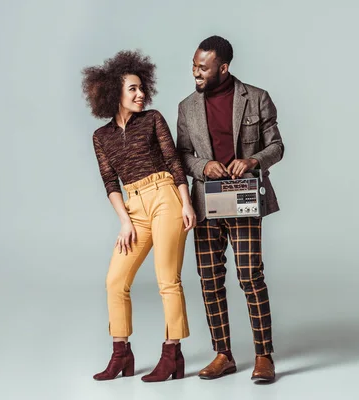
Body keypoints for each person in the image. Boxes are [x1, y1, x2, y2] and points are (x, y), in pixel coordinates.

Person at [81, 50, 196, 382]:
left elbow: (174, 162)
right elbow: (109, 182)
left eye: (142, 87)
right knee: (115, 281)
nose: (140, 93)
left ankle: (172, 354)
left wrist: (186, 203)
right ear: (113, 92)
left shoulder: (153, 118)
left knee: (167, 280)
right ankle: (121, 354)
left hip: (166, 199)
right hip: (134, 208)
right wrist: (125, 221)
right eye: (132, 88)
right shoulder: (100, 137)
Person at [176, 36, 284, 383]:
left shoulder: (256, 97)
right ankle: (222, 353)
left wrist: (252, 160)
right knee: (209, 280)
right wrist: (203, 166)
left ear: (223, 68)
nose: (196, 72)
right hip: (206, 204)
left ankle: (263, 355)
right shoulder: (186, 107)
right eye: (194, 65)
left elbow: (277, 146)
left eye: (203, 67)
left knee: (250, 276)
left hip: (244, 198)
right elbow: (182, 157)